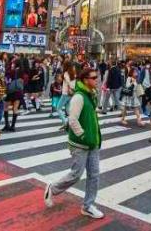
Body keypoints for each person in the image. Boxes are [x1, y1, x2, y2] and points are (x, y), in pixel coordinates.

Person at [44, 68, 104, 219]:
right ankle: (52, 188)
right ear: (85, 80)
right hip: (80, 144)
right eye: (93, 77)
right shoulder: (79, 96)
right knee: (76, 174)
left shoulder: (91, 94)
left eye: (97, 77)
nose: (96, 80)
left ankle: (88, 205)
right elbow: (72, 119)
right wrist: (83, 135)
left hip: (93, 143)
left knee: (94, 175)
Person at [58, 60, 76, 129]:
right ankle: (70, 122)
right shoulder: (73, 73)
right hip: (71, 94)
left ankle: (65, 122)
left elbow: (70, 83)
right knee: (68, 109)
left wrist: (70, 86)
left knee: (58, 108)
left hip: (65, 93)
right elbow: (74, 83)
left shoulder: (66, 73)